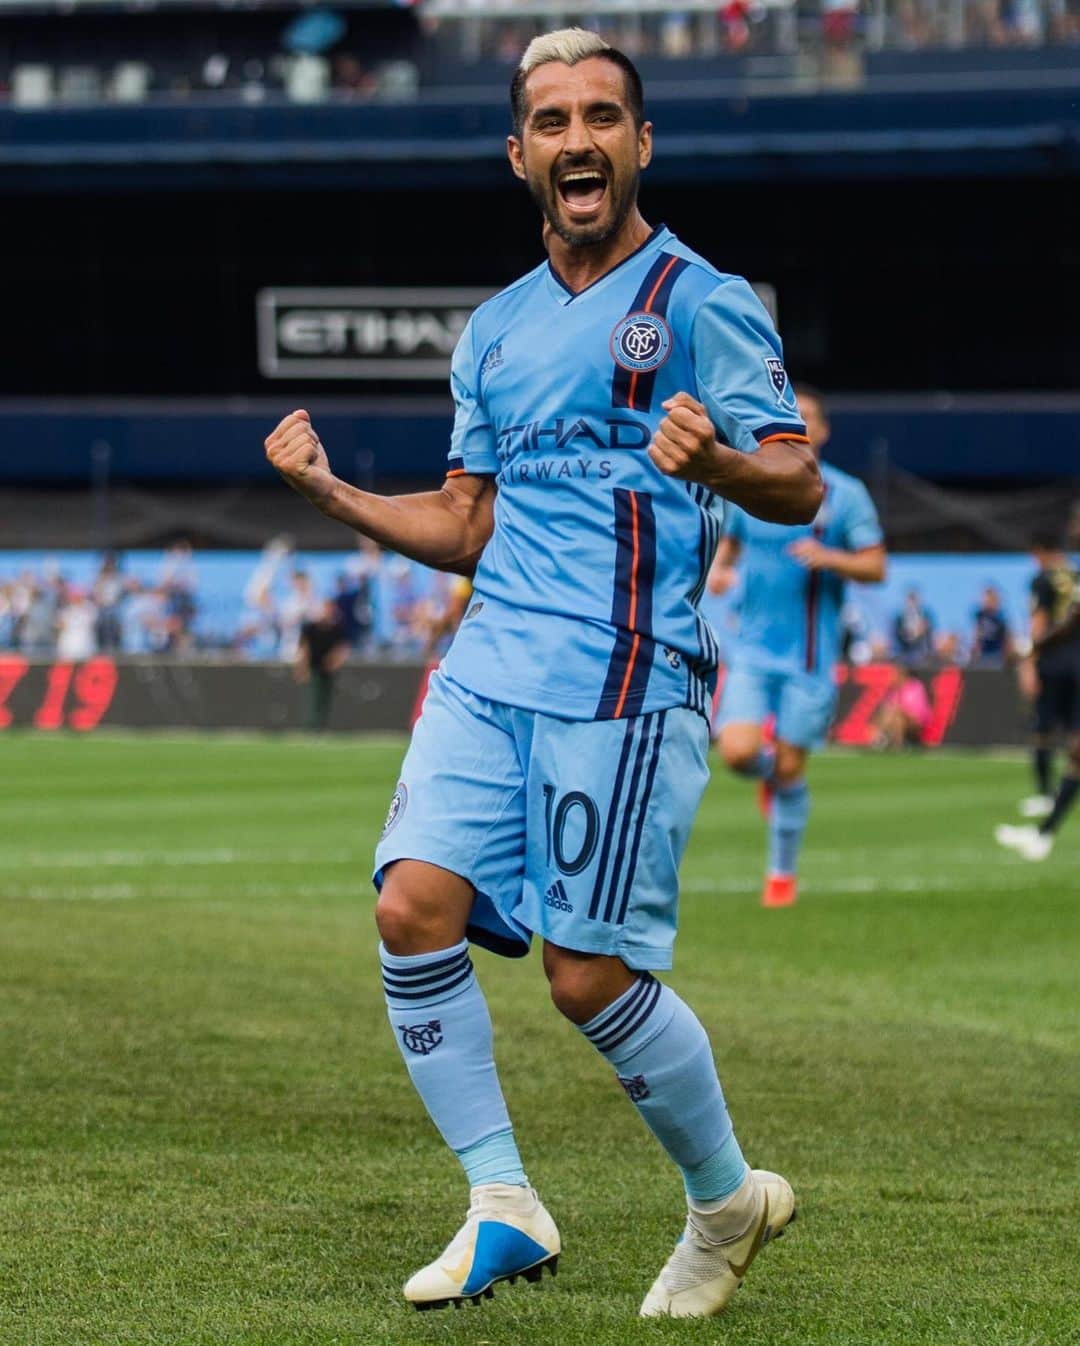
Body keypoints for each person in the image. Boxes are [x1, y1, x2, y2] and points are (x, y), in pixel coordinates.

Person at [265, 27, 822, 1320]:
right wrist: (329, 489)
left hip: (624, 674)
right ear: (519, 154)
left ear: (639, 143)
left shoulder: (701, 301)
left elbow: (792, 474)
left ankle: (725, 1200)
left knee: (584, 976)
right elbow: (466, 522)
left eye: (603, 117)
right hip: (487, 665)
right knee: (410, 905)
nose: (579, 140)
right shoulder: (496, 332)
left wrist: (721, 466)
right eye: (553, 121)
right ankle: (503, 1201)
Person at [709, 385, 887, 907]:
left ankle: (781, 877)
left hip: (811, 656)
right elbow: (731, 542)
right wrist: (721, 568)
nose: (802, 425)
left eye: (810, 417)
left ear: (825, 431)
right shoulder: (752, 481)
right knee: (739, 752)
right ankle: (771, 779)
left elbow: (876, 565)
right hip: (752, 652)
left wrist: (830, 558)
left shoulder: (845, 495)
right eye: (795, 416)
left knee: (792, 768)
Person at [996, 535, 1079, 858]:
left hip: (1061, 667)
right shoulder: (1072, 575)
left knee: (1055, 737)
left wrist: (1030, 651)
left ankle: (1043, 827)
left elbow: (1064, 621)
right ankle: (1043, 834)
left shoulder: (1047, 579)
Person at [294, 599, 351, 731]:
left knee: (325, 697)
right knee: (314, 696)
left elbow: (342, 648)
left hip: (329, 669)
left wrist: (335, 661)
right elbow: (304, 648)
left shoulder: (337, 629)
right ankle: (311, 725)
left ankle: (321, 726)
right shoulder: (310, 628)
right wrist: (301, 667)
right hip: (313, 667)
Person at [969, 584, 1011, 667]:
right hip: (983, 654)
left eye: (991, 599)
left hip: (997, 654)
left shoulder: (1001, 618)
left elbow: (1006, 640)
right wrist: (974, 652)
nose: (988, 601)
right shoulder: (980, 616)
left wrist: (1007, 657)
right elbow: (976, 636)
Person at [892, 588, 935, 665]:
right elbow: (897, 634)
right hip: (904, 653)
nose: (912, 602)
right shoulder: (900, 617)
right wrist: (908, 634)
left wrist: (923, 629)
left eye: (914, 599)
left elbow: (930, 634)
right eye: (910, 599)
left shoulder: (926, 615)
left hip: (922, 653)